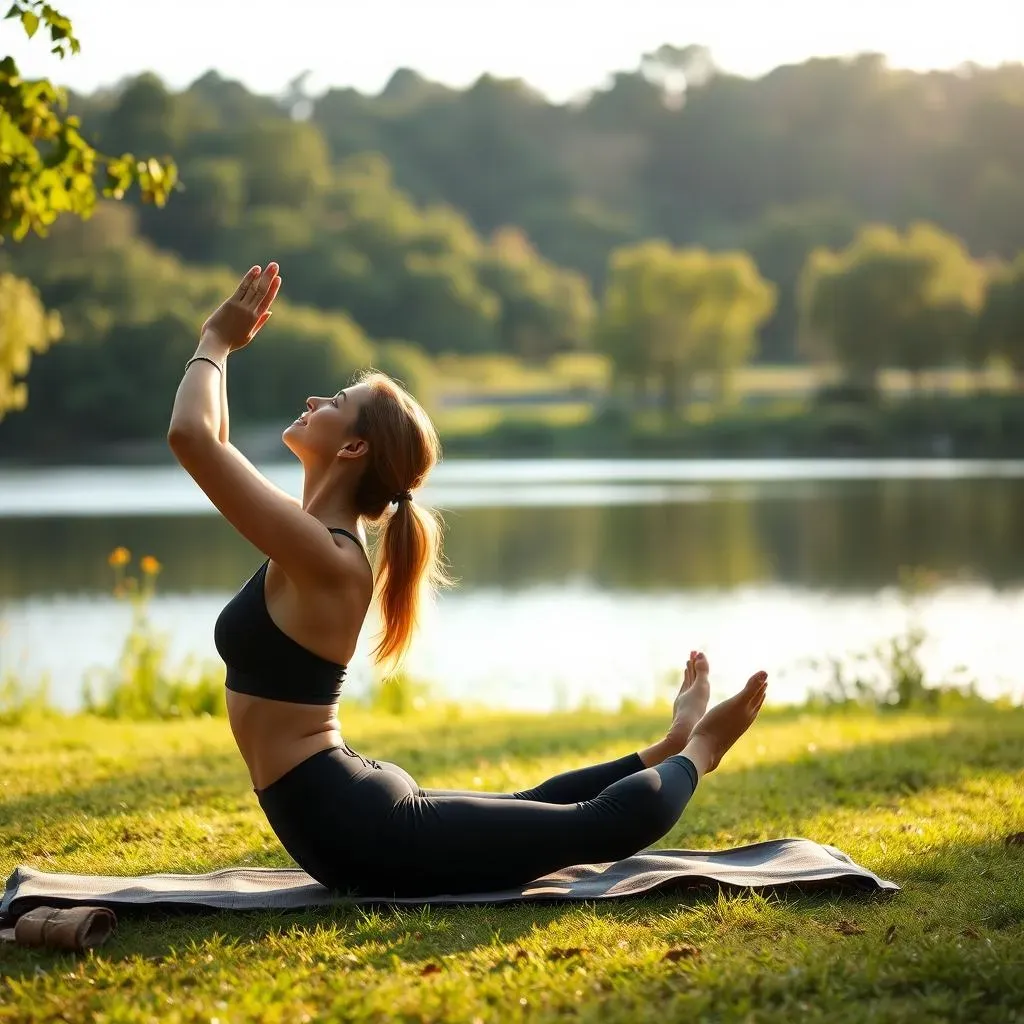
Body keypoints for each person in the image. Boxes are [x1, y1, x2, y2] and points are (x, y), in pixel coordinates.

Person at [167, 262, 769, 898]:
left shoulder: (328, 556)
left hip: (355, 830)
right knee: (527, 807)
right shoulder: (311, 541)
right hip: (346, 809)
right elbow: (213, 438)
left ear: (351, 450)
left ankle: (698, 751)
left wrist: (216, 339)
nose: (315, 401)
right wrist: (220, 349)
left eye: (336, 403)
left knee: (591, 830)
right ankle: (665, 746)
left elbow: (193, 438)